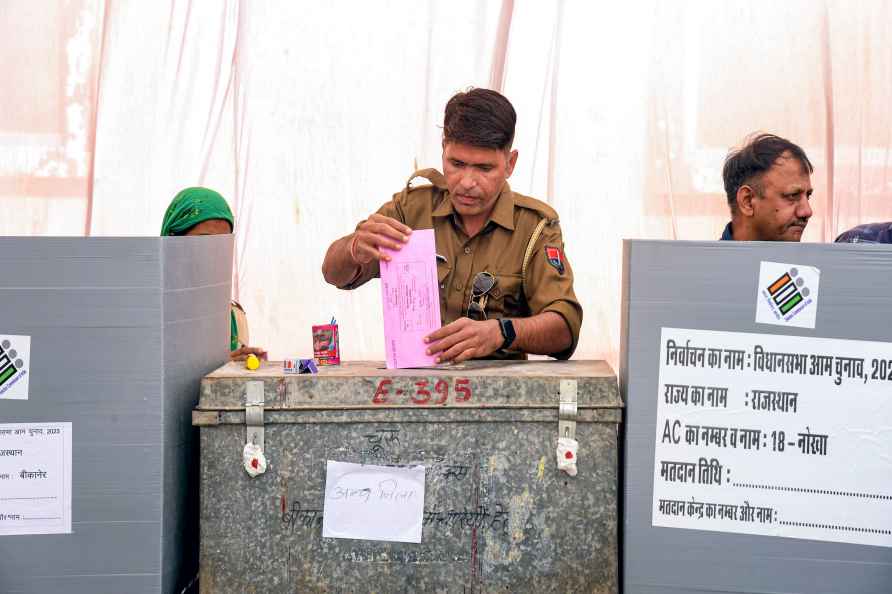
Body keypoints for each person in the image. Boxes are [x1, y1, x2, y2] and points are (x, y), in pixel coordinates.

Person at [322, 89, 582, 363]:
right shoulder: (411, 209)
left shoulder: (534, 228)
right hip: (416, 392)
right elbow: (333, 273)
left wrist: (502, 332)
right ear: (443, 149)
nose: (467, 182)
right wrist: (353, 249)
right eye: (456, 163)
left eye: (484, 168)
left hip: (500, 397)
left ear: (510, 163)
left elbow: (566, 328)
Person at [161, 187, 267, 362]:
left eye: (222, 243)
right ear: (172, 240)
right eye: (204, 240)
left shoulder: (233, 317)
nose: (213, 253)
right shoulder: (148, 312)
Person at [720, 133, 814, 241]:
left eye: (808, 196)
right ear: (748, 202)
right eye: (792, 196)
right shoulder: (704, 258)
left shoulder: (819, 257)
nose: (807, 211)